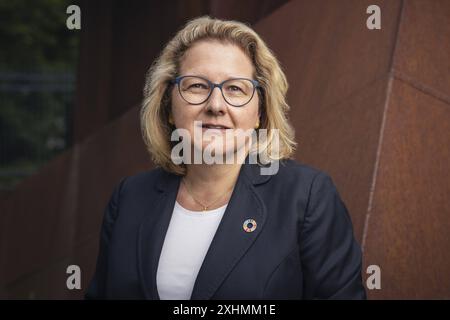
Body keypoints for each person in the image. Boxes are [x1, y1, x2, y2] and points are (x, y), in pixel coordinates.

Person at [85, 16, 366, 300]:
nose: (216, 105)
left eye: (235, 88)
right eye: (197, 86)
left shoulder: (307, 198)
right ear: (169, 105)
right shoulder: (129, 197)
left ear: (259, 112)